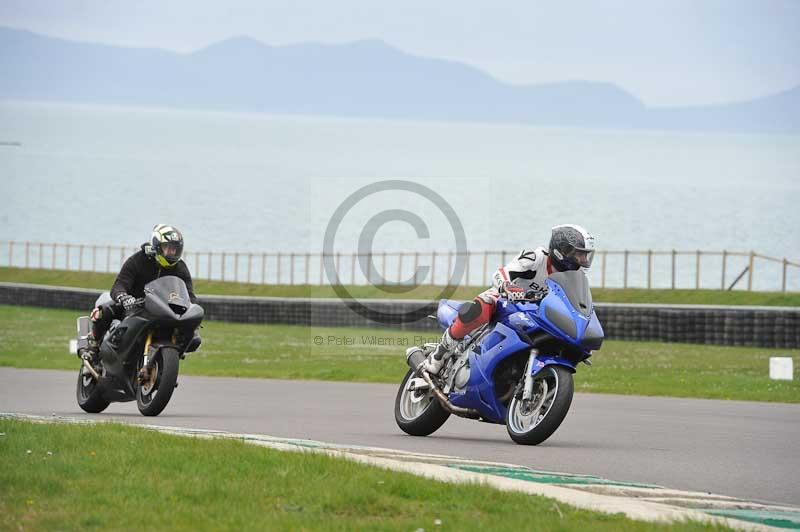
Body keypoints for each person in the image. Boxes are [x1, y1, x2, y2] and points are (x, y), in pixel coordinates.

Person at [423, 224, 595, 375]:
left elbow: (576, 305)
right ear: (561, 250)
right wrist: (507, 287)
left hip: (535, 312)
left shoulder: (576, 278)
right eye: (579, 254)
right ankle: (439, 355)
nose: (583, 260)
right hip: (508, 299)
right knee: (484, 304)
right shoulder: (535, 258)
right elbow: (501, 273)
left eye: (585, 255)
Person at [81, 224, 197, 362]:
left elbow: (189, 295)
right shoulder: (139, 260)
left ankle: (168, 358)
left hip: (163, 310)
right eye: (168, 248)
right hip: (133, 306)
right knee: (105, 310)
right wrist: (124, 297)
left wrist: (190, 310)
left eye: (175, 249)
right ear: (157, 246)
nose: (172, 253)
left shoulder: (180, 268)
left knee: (194, 337)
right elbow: (120, 284)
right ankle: (93, 345)